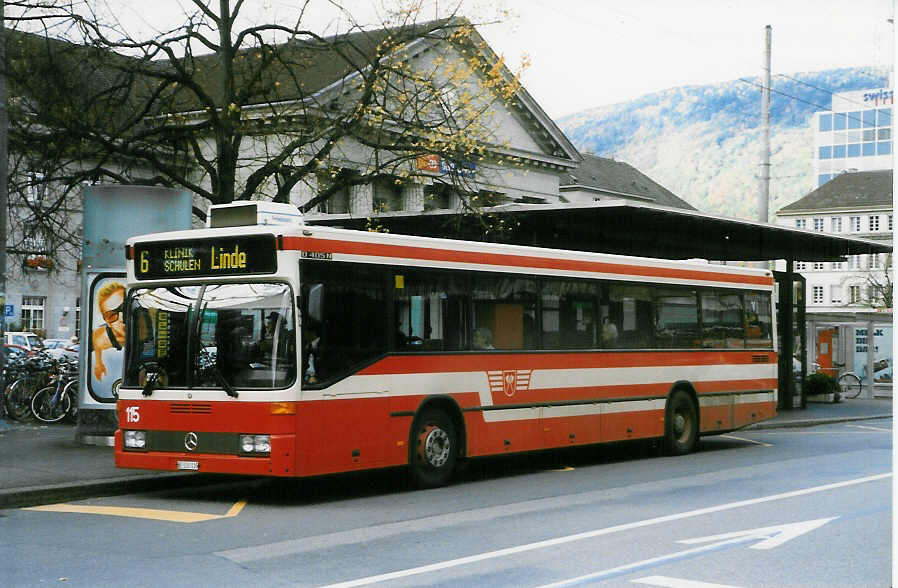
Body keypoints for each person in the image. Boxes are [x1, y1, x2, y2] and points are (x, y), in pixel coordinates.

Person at [91, 281, 126, 381]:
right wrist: (98, 362)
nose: (121, 318)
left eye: (124, 308)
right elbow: (96, 335)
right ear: (108, 323)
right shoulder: (103, 340)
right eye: (111, 315)